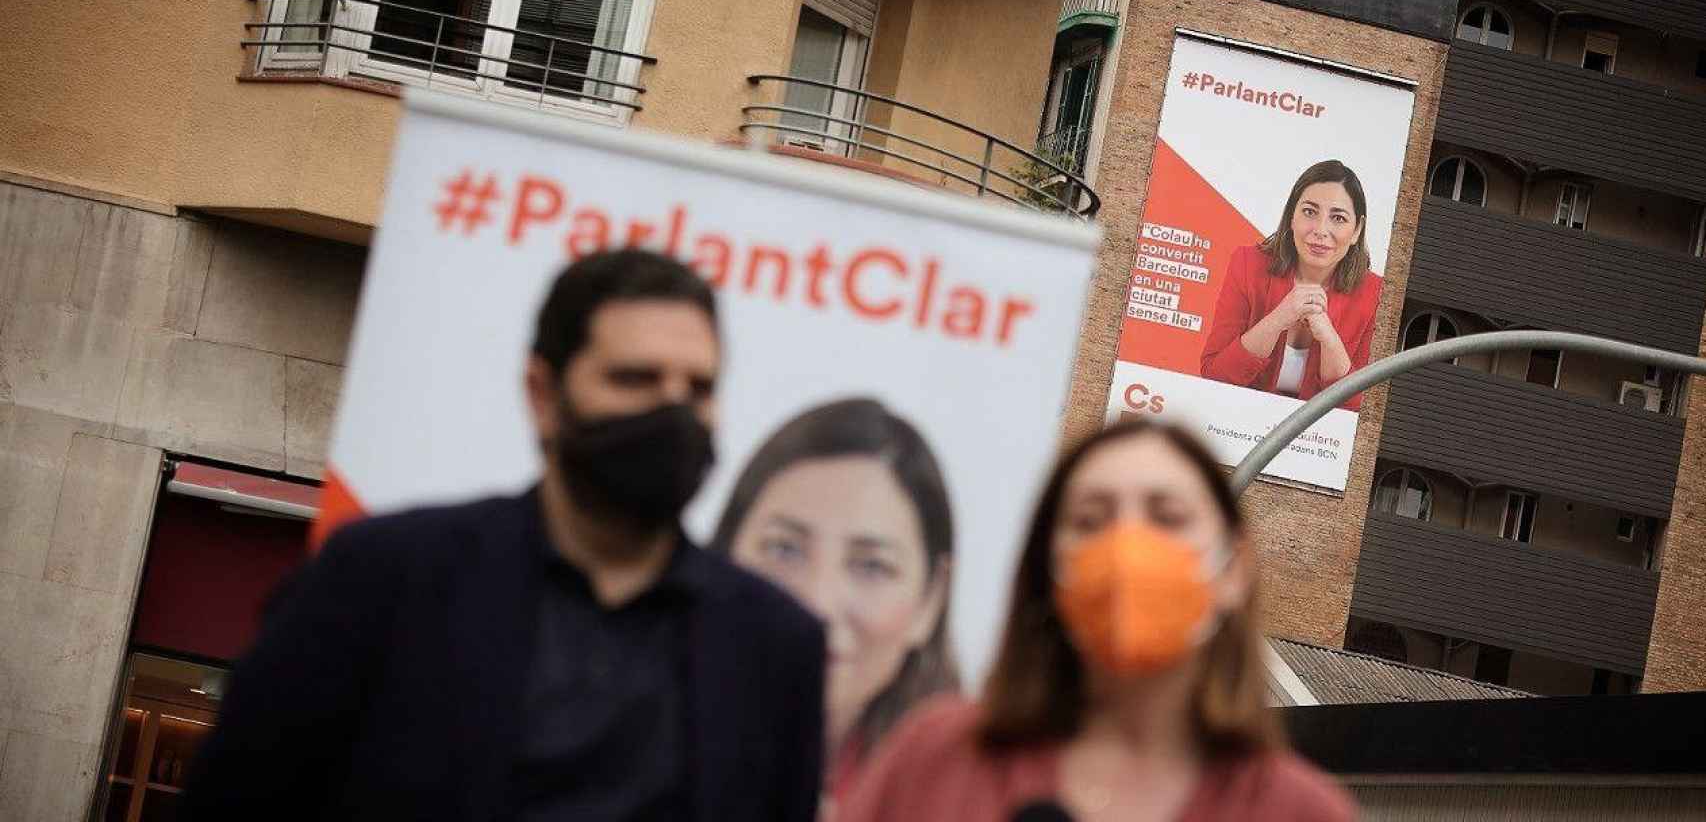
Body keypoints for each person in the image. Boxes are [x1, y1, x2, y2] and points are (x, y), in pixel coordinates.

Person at [182, 249, 825, 822]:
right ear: (544, 395)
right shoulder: (379, 580)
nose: (673, 411)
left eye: (699, 388)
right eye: (636, 380)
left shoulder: (776, 645)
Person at [837, 417, 1355, 822]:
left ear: (1234, 569)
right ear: (1048, 567)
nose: (1125, 547)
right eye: (1090, 519)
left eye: (1167, 516)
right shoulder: (935, 760)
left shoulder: (1301, 813)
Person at [712, 398, 957, 805]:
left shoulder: (968, 798)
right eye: (784, 549)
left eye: (872, 566)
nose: (818, 604)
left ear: (931, 598)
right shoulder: (622, 747)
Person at [1200, 160, 1383, 410]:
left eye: (1338, 218)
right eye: (1310, 212)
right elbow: (1214, 376)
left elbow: (1356, 411)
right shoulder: (1247, 265)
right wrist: (1279, 318)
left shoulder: (1375, 295)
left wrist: (1329, 340)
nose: (1321, 230)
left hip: (1317, 444)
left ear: (1356, 230)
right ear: (1291, 217)